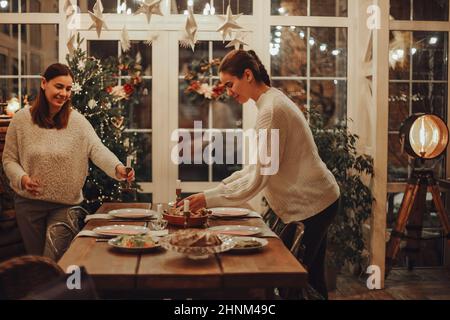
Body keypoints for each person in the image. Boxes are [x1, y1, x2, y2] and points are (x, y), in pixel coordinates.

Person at [178, 50, 340, 299]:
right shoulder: (269, 102)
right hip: (319, 199)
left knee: (288, 278)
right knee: (310, 278)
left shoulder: (271, 110)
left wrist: (208, 198)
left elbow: (259, 178)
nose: (229, 92)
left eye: (230, 84)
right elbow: (257, 167)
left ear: (248, 74)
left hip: (313, 204)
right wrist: (216, 191)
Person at [2, 63, 135, 260]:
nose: (64, 93)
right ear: (44, 83)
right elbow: (9, 159)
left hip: (65, 206)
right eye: (59, 87)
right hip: (29, 206)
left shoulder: (78, 122)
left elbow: (97, 149)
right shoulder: (21, 120)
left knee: (55, 261)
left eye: (68, 88)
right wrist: (22, 179)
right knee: (38, 265)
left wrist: (118, 168)